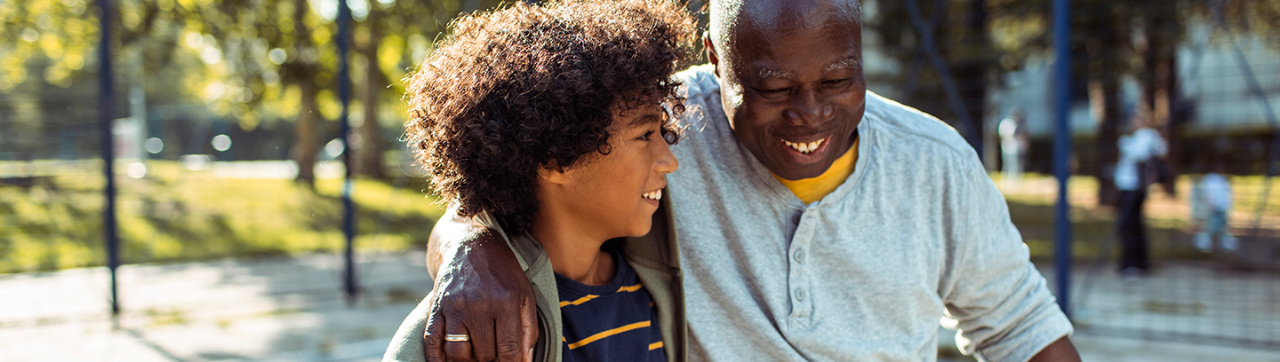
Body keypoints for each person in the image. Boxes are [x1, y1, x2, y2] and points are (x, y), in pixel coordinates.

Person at [414, 0, 1081, 361]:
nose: (811, 115)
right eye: (772, 87)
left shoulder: (935, 164)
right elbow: (511, 170)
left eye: (839, 80)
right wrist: (475, 248)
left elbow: (1021, 330)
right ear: (716, 60)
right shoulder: (660, 123)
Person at [381, 1, 696, 361]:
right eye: (644, 135)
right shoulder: (478, 323)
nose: (669, 162)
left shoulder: (647, 290)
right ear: (557, 158)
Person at [1113, 109, 1168, 274]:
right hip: (1130, 187)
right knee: (1134, 225)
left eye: (1136, 119)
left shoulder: (1146, 135)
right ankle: (1138, 263)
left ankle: (1132, 264)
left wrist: (1125, 144)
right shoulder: (1143, 137)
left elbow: (1141, 154)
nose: (1133, 123)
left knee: (1129, 226)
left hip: (1134, 187)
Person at [1192, 163, 1236, 252]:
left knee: (1222, 227)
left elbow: (1226, 192)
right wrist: (1210, 203)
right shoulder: (1210, 179)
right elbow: (1208, 192)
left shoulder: (1221, 179)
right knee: (1210, 226)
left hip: (1222, 207)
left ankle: (1223, 244)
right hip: (1214, 207)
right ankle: (1203, 243)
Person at [998, 110, 1029, 186]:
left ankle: (1013, 179)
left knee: (1012, 163)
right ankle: (1010, 179)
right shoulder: (1011, 123)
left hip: (1010, 146)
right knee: (1010, 163)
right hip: (1009, 145)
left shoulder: (1006, 123)